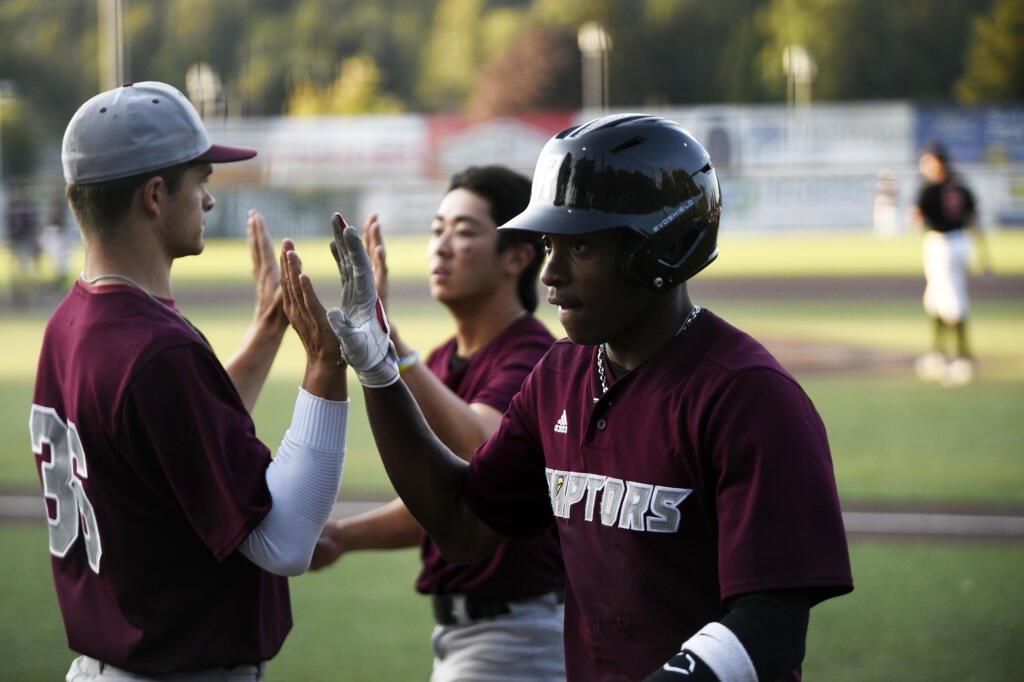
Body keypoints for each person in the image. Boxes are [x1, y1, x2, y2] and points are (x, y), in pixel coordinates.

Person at [299, 114, 854, 682]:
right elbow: (461, 527)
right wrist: (378, 372)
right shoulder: (558, 375)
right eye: (548, 245)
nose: (551, 274)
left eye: (580, 246)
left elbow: (776, 620)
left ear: (662, 246)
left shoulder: (749, 397)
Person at [31, 80, 349, 681]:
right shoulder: (156, 349)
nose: (207, 200)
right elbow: (284, 541)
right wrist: (326, 370)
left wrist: (267, 332)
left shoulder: (71, 321)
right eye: (200, 181)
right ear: (155, 195)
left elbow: (178, 442)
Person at [311, 166, 566, 681]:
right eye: (437, 229)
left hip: (517, 639)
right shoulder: (445, 359)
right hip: (468, 637)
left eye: (466, 231)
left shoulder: (533, 355)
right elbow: (449, 502)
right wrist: (343, 537)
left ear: (517, 257)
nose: (442, 246)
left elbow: (484, 448)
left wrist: (392, 346)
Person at [908, 141, 993, 386]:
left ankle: (963, 357)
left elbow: (916, 220)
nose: (924, 166)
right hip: (961, 242)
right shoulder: (961, 187)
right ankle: (937, 354)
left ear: (938, 162)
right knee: (936, 298)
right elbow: (974, 221)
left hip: (941, 244)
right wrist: (985, 256)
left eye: (927, 161)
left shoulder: (929, 189)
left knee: (951, 300)